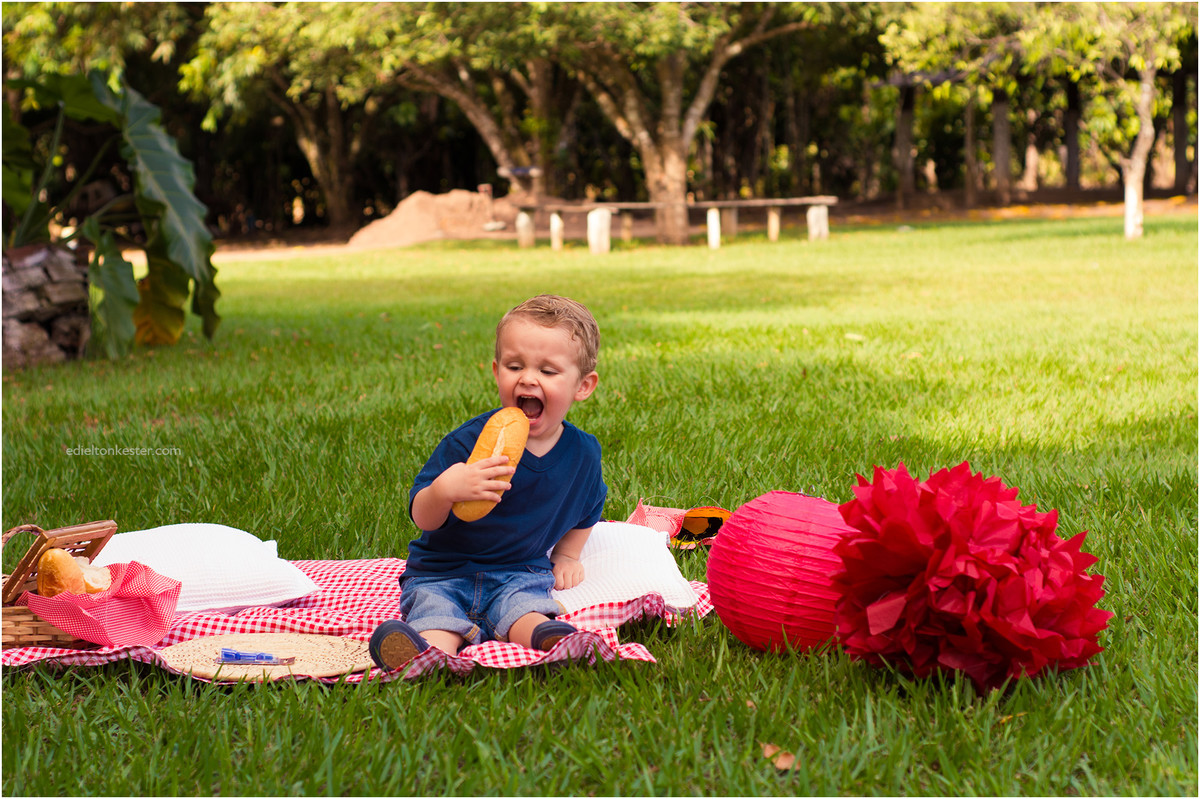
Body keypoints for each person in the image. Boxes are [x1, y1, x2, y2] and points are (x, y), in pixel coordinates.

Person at [369, 294, 604, 670]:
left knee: (524, 608)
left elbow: (590, 507)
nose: (528, 378)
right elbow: (421, 516)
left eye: (548, 371)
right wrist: (446, 490)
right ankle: (428, 654)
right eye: (515, 366)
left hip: (519, 570)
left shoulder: (583, 454)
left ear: (583, 385)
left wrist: (567, 555)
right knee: (435, 609)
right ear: (497, 371)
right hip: (441, 571)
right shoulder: (467, 444)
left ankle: (553, 639)